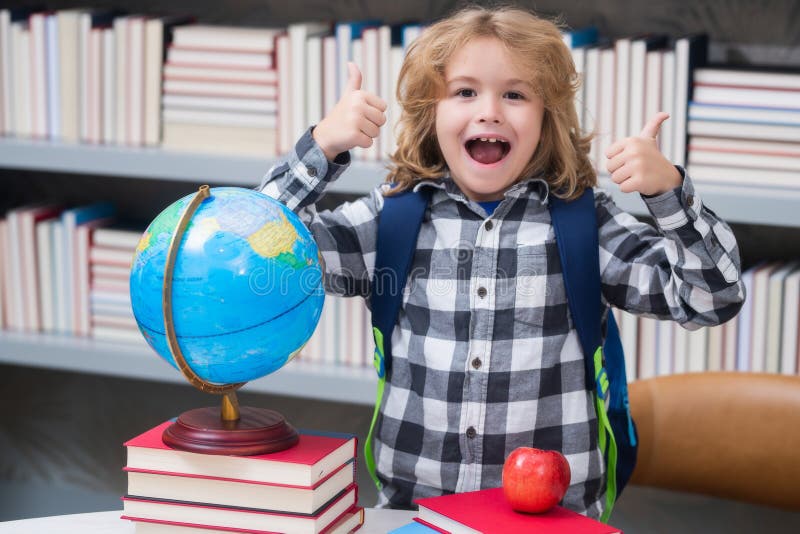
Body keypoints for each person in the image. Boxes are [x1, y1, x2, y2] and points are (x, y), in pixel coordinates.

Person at [259, 5, 744, 519]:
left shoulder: (585, 225)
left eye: (515, 94)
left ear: (546, 117)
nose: (489, 111)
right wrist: (321, 148)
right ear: (431, 112)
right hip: (412, 514)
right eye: (465, 92)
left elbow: (712, 298)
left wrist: (669, 193)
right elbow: (255, 246)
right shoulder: (390, 220)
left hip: (554, 520)